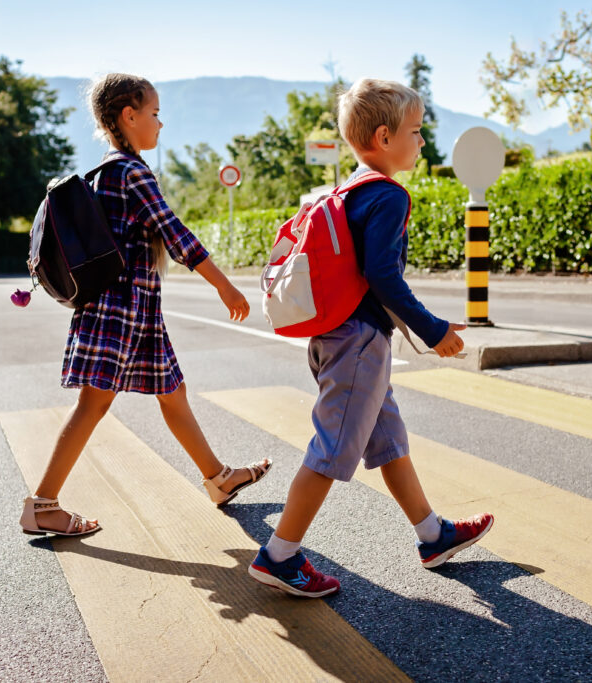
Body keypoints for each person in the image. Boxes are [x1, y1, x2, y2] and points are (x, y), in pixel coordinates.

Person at [248, 78, 494, 597]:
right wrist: (434, 332)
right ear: (384, 137)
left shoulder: (343, 191)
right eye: (416, 131)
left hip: (333, 337)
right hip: (357, 343)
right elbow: (384, 276)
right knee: (332, 450)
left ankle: (432, 534)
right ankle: (279, 554)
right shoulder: (386, 196)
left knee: (387, 440)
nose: (421, 141)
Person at [20, 73, 270, 537]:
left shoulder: (106, 172)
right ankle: (42, 504)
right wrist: (225, 286)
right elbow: (175, 234)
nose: (160, 123)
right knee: (93, 405)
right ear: (127, 116)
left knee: (173, 395)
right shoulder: (130, 172)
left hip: (135, 312)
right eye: (154, 114)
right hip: (119, 311)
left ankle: (218, 479)